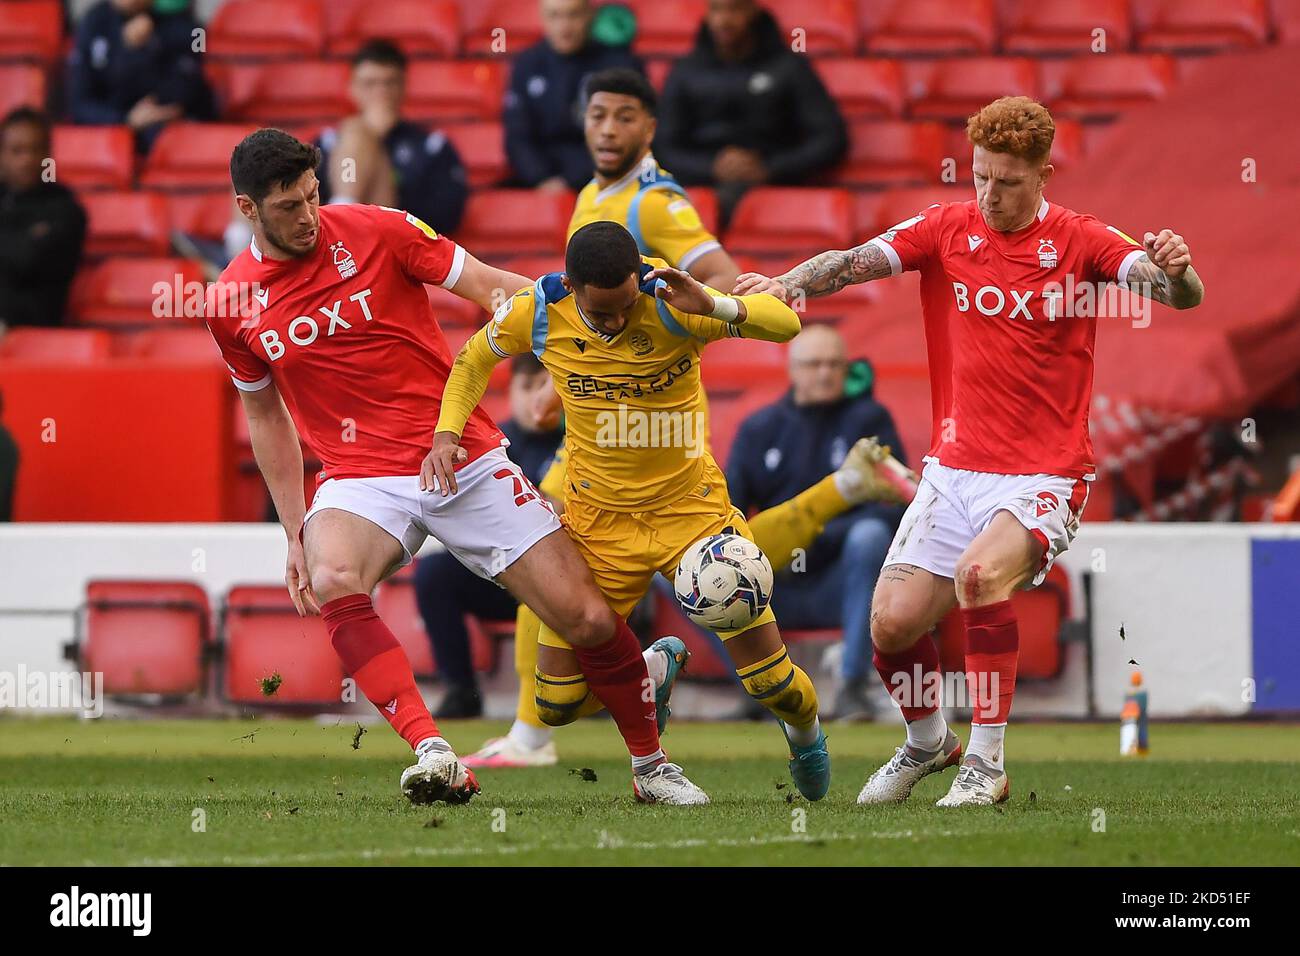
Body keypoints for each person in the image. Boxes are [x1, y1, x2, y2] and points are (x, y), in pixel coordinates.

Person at [204, 129, 707, 806]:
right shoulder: (230, 305)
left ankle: (651, 767)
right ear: (247, 210)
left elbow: (493, 287)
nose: (308, 216)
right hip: (359, 476)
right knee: (333, 575)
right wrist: (293, 529)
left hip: (459, 452)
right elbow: (266, 418)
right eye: (289, 206)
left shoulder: (382, 231)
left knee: (587, 621)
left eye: (313, 196)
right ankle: (433, 750)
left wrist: (587, 325)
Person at [735, 95, 1204, 806]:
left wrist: (1178, 270)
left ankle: (986, 763)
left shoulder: (1081, 240)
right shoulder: (948, 227)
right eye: (980, 175)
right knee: (890, 624)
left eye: (1007, 181)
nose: (989, 192)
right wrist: (789, 282)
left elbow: (1175, 294)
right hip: (955, 470)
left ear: (1043, 174)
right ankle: (929, 742)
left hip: (1045, 471)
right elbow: (856, 260)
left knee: (979, 576)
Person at [460, 68, 910, 768]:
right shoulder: (593, 196)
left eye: (624, 117)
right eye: (597, 115)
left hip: (656, 439)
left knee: (688, 577)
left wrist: (719, 311)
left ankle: (533, 735)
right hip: (596, 448)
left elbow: (722, 279)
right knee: (542, 568)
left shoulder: (656, 205)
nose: (607, 129)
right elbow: (571, 316)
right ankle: (538, 725)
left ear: (651, 126)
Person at [435, 220, 833, 802]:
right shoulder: (538, 311)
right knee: (556, 703)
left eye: (626, 306)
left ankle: (805, 733)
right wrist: (448, 433)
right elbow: (472, 359)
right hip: (597, 524)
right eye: (604, 314)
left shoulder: (671, 300)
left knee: (772, 683)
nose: (619, 322)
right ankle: (647, 672)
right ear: (570, 286)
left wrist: (717, 304)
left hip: (690, 514)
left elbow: (787, 324)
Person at [728, 325, 907, 720]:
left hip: (842, 584)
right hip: (772, 591)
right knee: (684, 569)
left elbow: (896, 504)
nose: (824, 373)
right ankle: (758, 691)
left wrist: (822, 533)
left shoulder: (869, 421)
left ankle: (852, 686)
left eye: (834, 364)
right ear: (792, 370)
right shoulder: (759, 428)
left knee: (870, 534)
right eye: (814, 364)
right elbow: (729, 515)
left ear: (846, 370)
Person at [414, 353, 563, 720]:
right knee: (434, 573)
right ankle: (460, 689)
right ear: (510, 390)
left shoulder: (579, 439)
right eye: (527, 387)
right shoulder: (494, 444)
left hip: (567, 573)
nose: (537, 399)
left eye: (546, 387)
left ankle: (589, 689)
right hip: (505, 572)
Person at [656, 0, 846, 220]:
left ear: (753, 12)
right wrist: (711, 168)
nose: (724, 20)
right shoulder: (685, 71)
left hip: (777, 187)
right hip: (700, 185)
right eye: (716, 10)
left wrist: (770, 168)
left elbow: (830, 138)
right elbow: (663, 145)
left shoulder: (790, 67)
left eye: (734, 9)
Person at [317, 40, 468, 235]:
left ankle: (341, 221)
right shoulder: (329, 143)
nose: (380, 92)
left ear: (404, 86)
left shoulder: (431, 146)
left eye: (389, 83)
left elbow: (447, 216)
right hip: (345, 249)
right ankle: (343, 218)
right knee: (355, 132)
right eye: (369, 84)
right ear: (352, 88)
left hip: (399, 242)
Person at [504, 0, 641, 192]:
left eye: (573, 15)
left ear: (589, 16)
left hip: (604, 180)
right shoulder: (527, 64)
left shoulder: (619, 65)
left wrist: (570, 182)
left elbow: (625, 135)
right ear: (542, 18)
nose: (564, 26)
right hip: (539, 182)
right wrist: (541, 179)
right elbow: (517, 136)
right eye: (555, 16)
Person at [68, 0, 215, 150]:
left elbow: (185, 90)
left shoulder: (184, 25)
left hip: (167, 133)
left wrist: (147, 47)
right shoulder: (95, 20)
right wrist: (126, 119)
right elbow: (79, 104)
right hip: (108, 134)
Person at [0, 108, 87, 331]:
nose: (27, 160)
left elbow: (25, 260)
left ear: (48, 154)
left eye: (35, 150)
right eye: (17, 151)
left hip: (32, 327)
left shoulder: (65, 208)